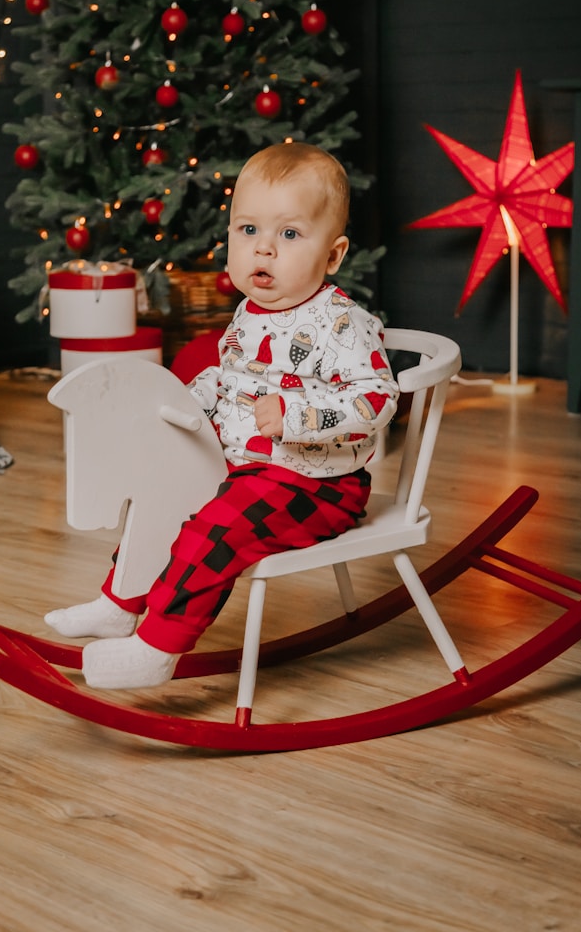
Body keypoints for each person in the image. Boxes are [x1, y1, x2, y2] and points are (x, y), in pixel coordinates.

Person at [45, 141, 400, 689]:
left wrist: (299, 414)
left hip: (314, 483)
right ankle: (122, 599)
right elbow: (236, 379)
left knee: (219, 527)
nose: (264, 251)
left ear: (332, 256)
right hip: (245, 466)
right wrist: (198, 398)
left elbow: (378, 397)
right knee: (165, 492)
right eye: (248, 230)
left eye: (289, 234)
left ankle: (157, 647)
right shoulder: (250, 313)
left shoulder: (343, 323)